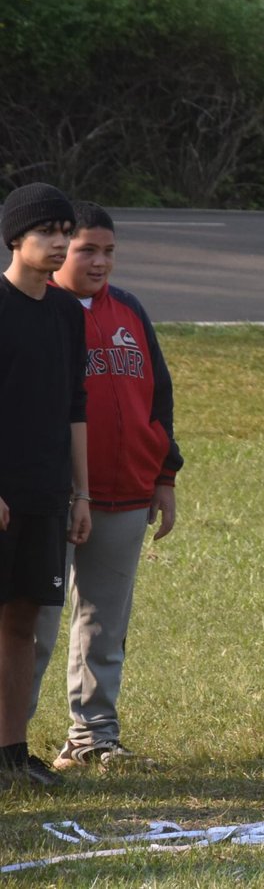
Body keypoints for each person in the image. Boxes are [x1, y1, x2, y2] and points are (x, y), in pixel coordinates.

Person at [32, 202, 183, 769]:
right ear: (59, 249)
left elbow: (159, 396)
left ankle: (94, 737)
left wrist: (164, 475)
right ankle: (10, 745)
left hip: (125, 494)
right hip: (53, 499)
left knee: (104, 623)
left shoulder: (130, 311)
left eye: (109, 251)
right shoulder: (40, 311)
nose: (100, 262)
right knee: (36, 623)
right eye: (86, 249)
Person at [0, 183, 91, 788]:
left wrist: (80, 493)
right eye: (48, 232)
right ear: (15, 238)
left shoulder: (63, 310)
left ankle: (10, 752)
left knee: (22, 624)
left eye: (66, 232)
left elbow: (73, 406)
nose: (61, 244)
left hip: (44, 490)